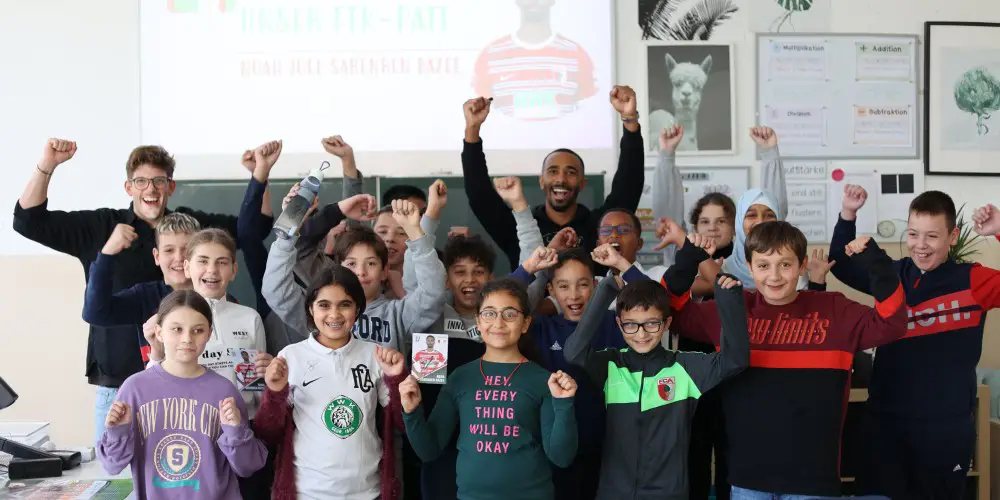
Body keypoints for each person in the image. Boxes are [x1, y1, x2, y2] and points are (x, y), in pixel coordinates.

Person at [12, 139, 271, 443]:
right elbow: (28, 222)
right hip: (121, 384)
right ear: (128, 187)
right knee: (122, 478)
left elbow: (254, 230)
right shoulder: (103, 228)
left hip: (190, 386)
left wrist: (260, 175)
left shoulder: (192, 227)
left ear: (171, 187)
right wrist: (47, 165)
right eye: (141, 181)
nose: (151, 189)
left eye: (159, 181)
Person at [661, 221, 907, 498]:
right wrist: (688, 258)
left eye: (785, 265)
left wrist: (876, 262)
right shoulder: (730, 309)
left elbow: (893, 323)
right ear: (750, 267)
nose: (774, 276)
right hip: (748, 480)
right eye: (763, 265)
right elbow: (668, 313)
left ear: (802, 266)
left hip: (814, 480)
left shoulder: (834, 309)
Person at [829, 189, 1000, 500]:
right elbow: (839, 264)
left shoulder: (974, 280)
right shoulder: (892, 274)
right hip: (885, 424)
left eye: (932, 236)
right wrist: (848, 214)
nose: (921, 245)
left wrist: (999, 231)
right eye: (913, 234)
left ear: (953, 236)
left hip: (945, 429)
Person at [564, 248, 749, 499]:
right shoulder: (612, 365)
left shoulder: (685, 368)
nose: (641, 334)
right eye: (631, 325)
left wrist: (730, 301)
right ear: (619, 324)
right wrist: (605, 290)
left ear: (667, 324)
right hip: (613, 493)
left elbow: (735, 360)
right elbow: (574, 352)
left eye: (652, 323)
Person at [400, 278, 579, 500]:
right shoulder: (460, 378)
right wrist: (412, 411)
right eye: (489, 313)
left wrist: (563, 403)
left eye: (510, 313)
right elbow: (429, 449)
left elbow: (562, 457)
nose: (499, 322)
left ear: (525, 323)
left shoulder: (544, 380)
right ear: (478, 321)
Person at [254, 265, 408, 500]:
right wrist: (275, 391)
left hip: (369, 492)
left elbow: (402, 423)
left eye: (344, 304)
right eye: (324, 305)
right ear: (310, 308)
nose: (334, 315)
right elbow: (268, 432)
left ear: (357, 309)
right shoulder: (291, 356)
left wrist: (398, 379)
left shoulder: (375, 355)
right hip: (308, 492)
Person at [97, 290, 268, 499]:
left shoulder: (224, 391)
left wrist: (235, 433)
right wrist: (118, 432)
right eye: (177, 329)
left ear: (209, 333)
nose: (187, 338)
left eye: (197, 330)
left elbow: (247, 466)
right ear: (159, 333)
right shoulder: (135, 389)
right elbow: (112, 465)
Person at [461, 86, 645, 271]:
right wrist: (472, 129)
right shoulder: (520, 228)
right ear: (541, 181)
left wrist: (630, 121)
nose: (561, 179)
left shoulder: (598, 225)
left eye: (571, 172)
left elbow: (629, 184)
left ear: (582, 183)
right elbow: (479, 196)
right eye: (553, 171)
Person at [263, 193, 446, 355]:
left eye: (371, 263)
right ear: (337, 269)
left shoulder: (397, 314)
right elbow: (276, 290)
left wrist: (415, 233)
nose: (361, 272)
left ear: (385, 271)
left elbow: (432, 294)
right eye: (351, 263)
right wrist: (290, 221)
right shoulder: (322, 312)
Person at [82, 212, 201, 361]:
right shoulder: (144, 296)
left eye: (186, 249)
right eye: (169, 250)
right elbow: (95, 313)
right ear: (157, 257)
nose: (178, 258)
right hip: (158, 382)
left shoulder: (215, 295)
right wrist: (107, 254)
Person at [472, 0, 597, 121]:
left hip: (569, 141)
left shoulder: (575, 54)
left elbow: (590, 110)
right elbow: (480, 111)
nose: (533, 1)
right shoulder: (491, 55)